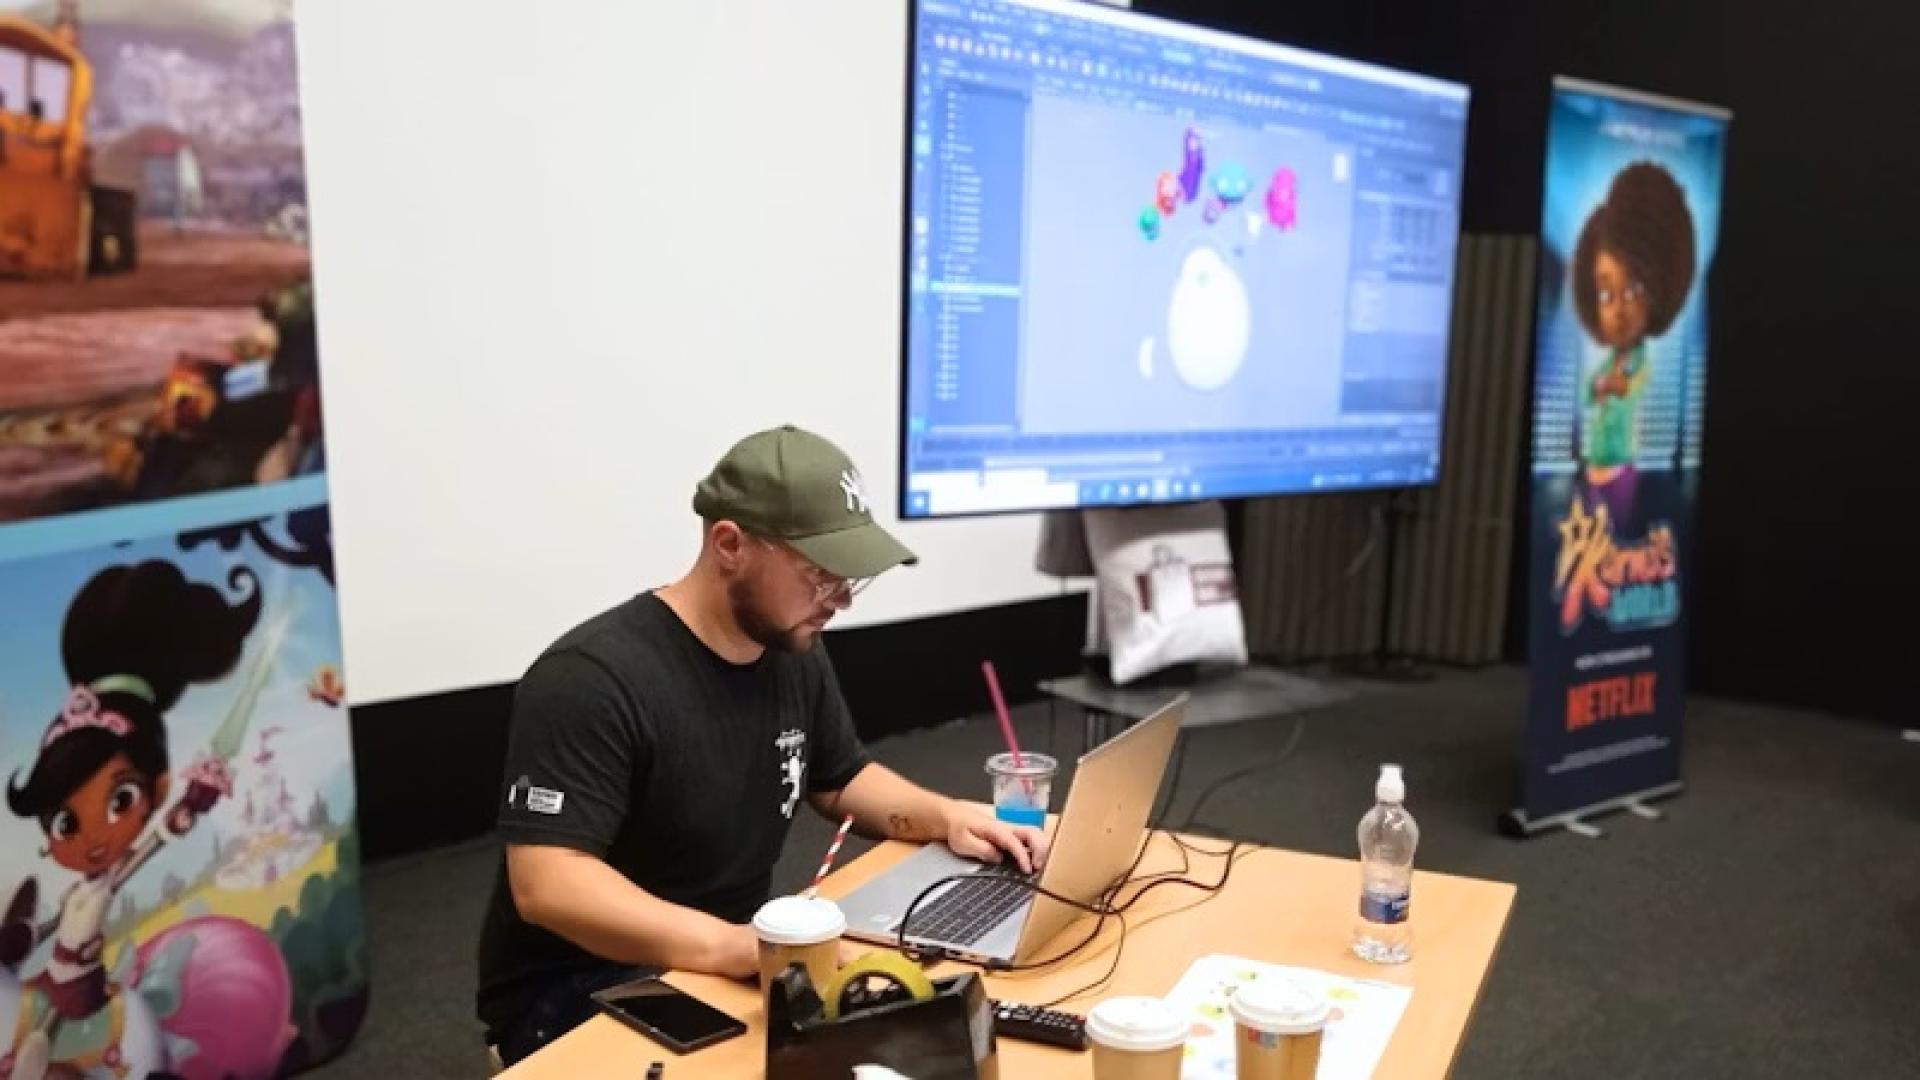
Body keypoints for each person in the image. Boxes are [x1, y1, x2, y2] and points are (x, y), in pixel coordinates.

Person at [476, 425, 1050, 1066]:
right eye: (820, 577)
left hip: (726, 952)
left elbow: (838, 777)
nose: (840, 602)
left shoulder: (792, 647)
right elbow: (550, 886)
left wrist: (948, 816)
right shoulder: (590, 680)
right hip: (578, 987)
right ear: (730, 545)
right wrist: (731, 947)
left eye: (849, 581)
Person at [1571, 161, 1696, 530]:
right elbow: (1589, 393)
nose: (1620, 309)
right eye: (1606, 293)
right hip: (1595, 459)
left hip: (1622, 462)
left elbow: (1631, 384)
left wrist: (1612, 386)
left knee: (1614, 525)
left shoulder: (1636, 362)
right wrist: (1598, 387)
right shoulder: (1608, 361)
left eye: (1634, 290)